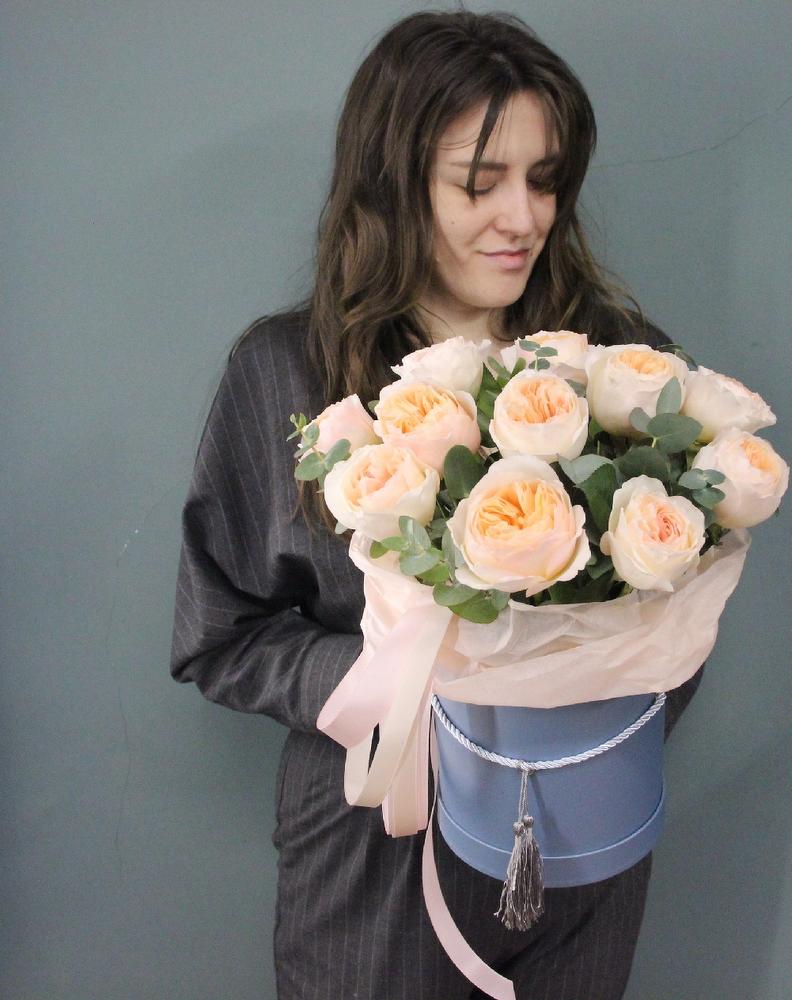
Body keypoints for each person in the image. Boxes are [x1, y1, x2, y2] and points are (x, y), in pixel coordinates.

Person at [170, 9, 703, 999]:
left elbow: (680, 597)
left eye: (544, 179)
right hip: (375, 839)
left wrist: (584, 708)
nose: (524, 218)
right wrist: (401, 684)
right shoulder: (285, 373)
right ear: (393, 184)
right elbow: (221, 636)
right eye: (479, 182)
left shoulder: (622, 368)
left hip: (584, 838)